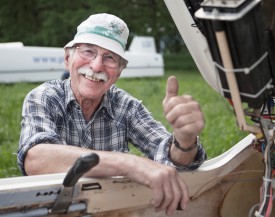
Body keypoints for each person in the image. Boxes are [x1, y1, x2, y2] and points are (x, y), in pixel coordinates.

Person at [17, 13, 206, 215]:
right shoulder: (44, 97)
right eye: (88, 51)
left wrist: (185, 140)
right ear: (67, 58)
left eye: (110, 58)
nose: (97, 66)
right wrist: (128, 163)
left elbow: (169, 157)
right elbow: (35, 159)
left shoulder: (126, 106)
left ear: (118, 73)